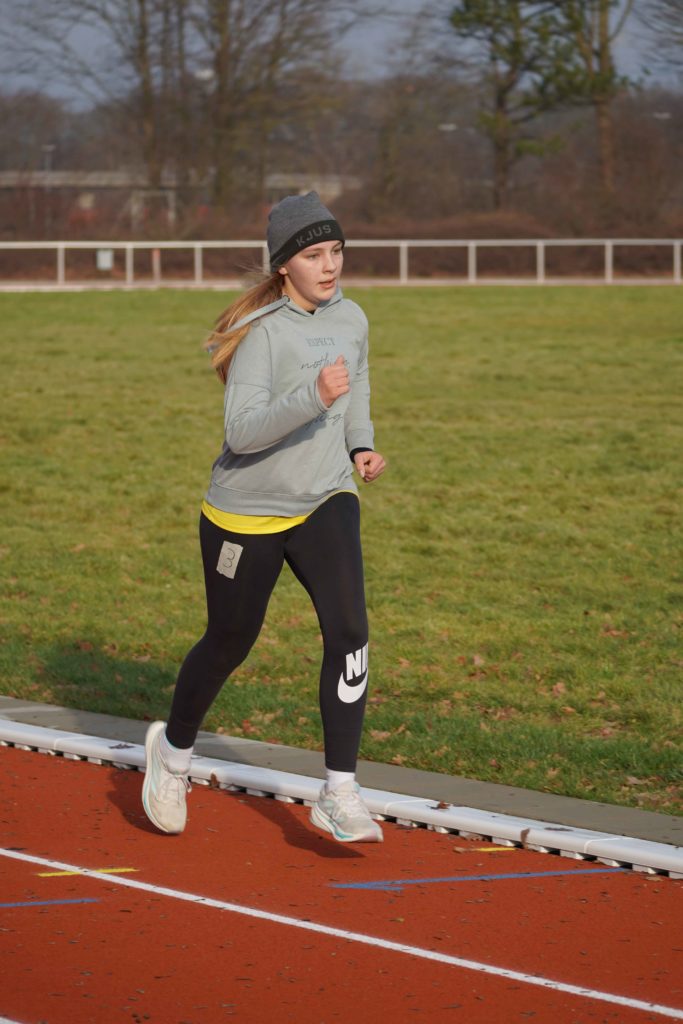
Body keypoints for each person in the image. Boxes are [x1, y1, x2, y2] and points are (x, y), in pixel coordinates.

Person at [142, 191, 386, 843]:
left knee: (350, 633)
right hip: (246, 512)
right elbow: (243, 433)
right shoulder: (263, 334)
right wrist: (314, 397)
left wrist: (359, 444)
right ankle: (172, 754)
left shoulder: (352, 317)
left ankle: (339, 791)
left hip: (326, 496)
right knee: (230, 640)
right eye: (314, 255)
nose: (329, 266)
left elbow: (357, 381)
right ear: (284, 264)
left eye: (336, 251)